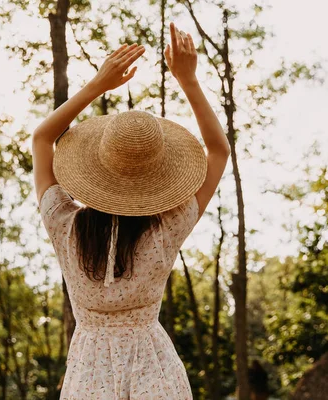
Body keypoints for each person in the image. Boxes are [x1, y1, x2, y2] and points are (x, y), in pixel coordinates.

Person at [32, 21, 230, 400]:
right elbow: (218, 150)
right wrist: (188, 80)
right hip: (155, 374)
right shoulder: (167, 228)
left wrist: (97, 85)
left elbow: (42, 138)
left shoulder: (63, 224)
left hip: (88, 379)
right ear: (158, 177)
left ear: (95, 169)